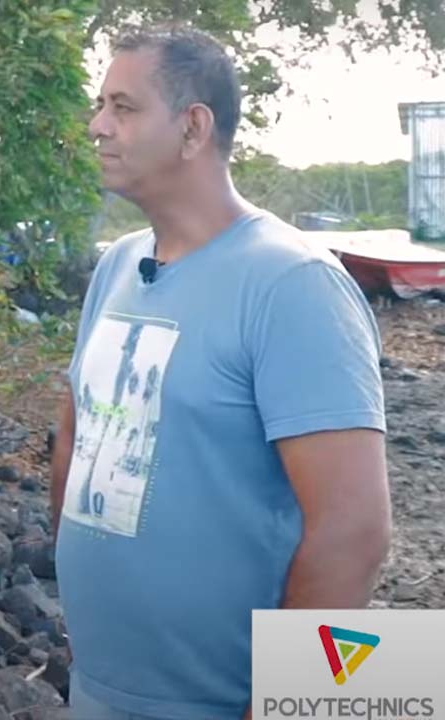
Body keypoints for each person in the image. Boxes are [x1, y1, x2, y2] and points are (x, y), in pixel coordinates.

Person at [49, 26, 390, 720]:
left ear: (193, 127)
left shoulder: (292, 283)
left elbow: (354, 529)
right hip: (101, 687)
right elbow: (77, 435)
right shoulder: (117, 265)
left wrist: (291, 703)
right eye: (100, 105)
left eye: (123, 107)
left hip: (224, 701)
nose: (97, 126)